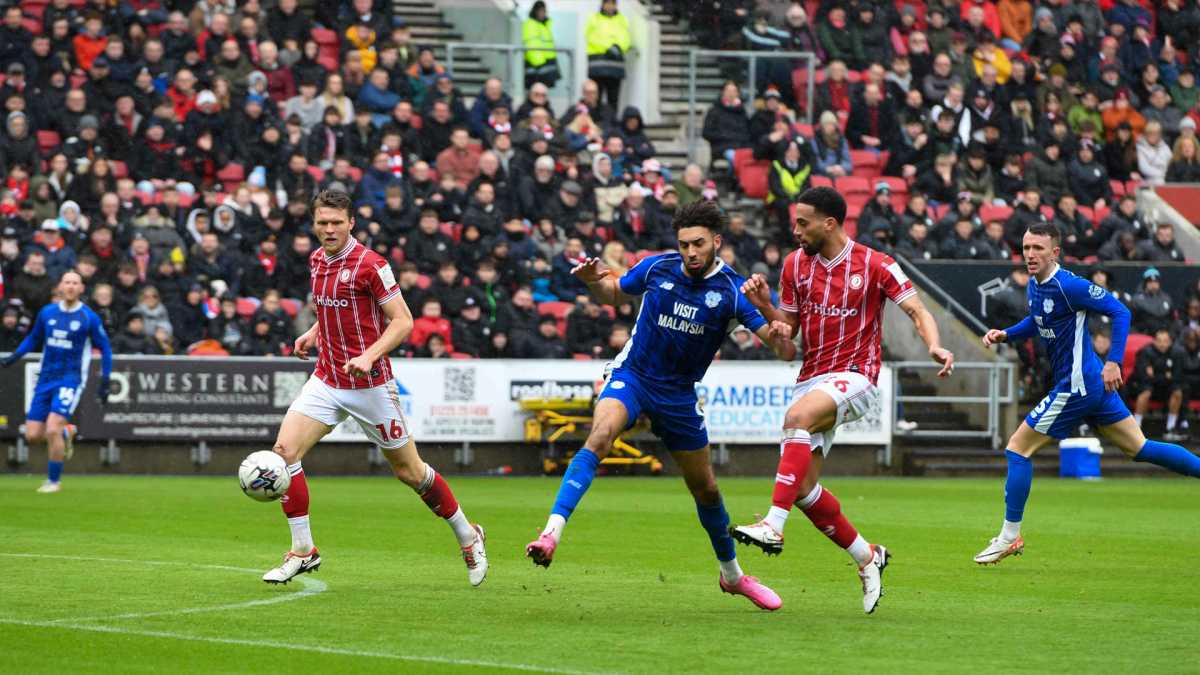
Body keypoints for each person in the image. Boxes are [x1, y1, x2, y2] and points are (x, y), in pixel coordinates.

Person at [524, 200, 798, 612]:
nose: (690, 252)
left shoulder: (732, 290)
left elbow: (784, 350)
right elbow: (615, 293)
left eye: (698, 244)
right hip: (633, 376)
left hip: (678, 394)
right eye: (685, 243)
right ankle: (550, 533)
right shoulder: (657, 267)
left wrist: (771, 319)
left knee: (705, 488)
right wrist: (590, 282)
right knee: (599, 436)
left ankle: (733, 577)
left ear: (716, 243)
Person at [730, 187, 955, 614]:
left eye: (803, 223)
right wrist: (764, 309)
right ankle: (867, 557)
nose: (795, 230)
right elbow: (789, 328)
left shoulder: (875, 263)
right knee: (801, 488)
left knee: (795, 418)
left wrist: (935, 346)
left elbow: (918, 311)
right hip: (812, 378)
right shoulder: (796, 264)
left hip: (857, 377)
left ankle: (773, 526)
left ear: (829, 223)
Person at [260, 190, 487, 586]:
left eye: (336, 222)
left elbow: (402, 321)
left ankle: (468, 535)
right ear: (314, 224)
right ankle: (302, 551)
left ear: (351, 223)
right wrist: (314, 332)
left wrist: (368, 356)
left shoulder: (372, 265)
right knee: (284, 453)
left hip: (370, 384)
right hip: (327, 378)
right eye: (322, 222)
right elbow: (333, 307)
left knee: (410, 472)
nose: (329, 229)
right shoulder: (316, 260)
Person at [973, 222, 1200, 565]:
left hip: (1077, 386)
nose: (1030, 254)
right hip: (1089, 384)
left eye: (1038, 248)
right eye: (1026, 248)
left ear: (1055, 252)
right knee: (1139, 448)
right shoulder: (1036, 285)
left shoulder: (1070, 286)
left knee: (1017, 448)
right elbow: (1037, 321)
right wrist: (1006, 334)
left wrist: (1114, 362)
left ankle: (1008, 536)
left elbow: (1120, 312)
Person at [1, 272, 113, 493]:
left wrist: (105, 379)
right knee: (32, 435)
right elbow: (34, 338)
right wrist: (14, 357)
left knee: (52, 428)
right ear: (60, 286)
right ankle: (65, 432)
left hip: (70, 380)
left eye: (75, 283)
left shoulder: (88, 317)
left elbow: (106, 349)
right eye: (67, 282)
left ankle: (53, 481)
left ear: (81, 288)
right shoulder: (47, 313)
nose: (70, 286)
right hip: (45, 379)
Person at [584, 0, 631, 108]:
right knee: (596, 98)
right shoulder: (594, 19)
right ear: (603, 4)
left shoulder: (621, 19)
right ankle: (596, 122)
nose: (610, 6)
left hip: (615, 67)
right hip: (598, 66)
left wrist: (618, 47)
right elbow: (591, 37)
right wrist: (609, 48)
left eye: (613, 3)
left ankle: (612, 123)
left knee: (613, 99)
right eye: (608, 3)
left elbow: (626, 38)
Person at [522, 1, 559, 89]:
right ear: (535, 11)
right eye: (540, 11)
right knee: (536, 90)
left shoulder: (543, 25)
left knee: (543, 91)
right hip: (538, 66)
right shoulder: (531, 24)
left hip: (547, 64)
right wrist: (538, 64)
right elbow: (531, 44)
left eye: (544, 11)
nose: (542, 13)